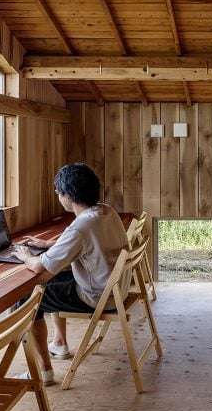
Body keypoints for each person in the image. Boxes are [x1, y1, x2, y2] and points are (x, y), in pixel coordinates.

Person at [13, 163, 128, 385]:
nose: (58, 196)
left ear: (68, 195)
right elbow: (78, 241)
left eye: (58, 192)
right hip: (116, 290)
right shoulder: (106, 211)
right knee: (52, 279)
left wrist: (26, 256)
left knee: (28, 296)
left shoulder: (81, 227)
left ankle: (43, 372)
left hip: (98, 297)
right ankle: (59, 343)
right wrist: (48, 244)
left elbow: (39, 267)